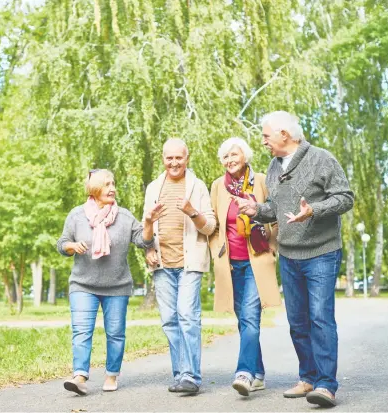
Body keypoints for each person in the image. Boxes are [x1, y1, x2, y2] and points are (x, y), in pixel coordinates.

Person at [236, 111, 354, 407]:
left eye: (266, 136)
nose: (263, 141)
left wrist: (313, 210)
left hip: (321, 253)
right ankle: (309, 377)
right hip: (289, 254)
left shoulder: (322, 159)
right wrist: (256, 210)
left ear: (284, 135)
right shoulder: (274, 166)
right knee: (297, 321)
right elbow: (275, 208)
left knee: (320, 318)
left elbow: (345, 198)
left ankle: (326, 385)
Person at [57, 169, 163, 396]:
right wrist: (73, 246)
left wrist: (148, 223)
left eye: (113, 183)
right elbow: (62, 243)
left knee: (115, 332)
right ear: (94, 190)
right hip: (83, 285)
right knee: (81, 331)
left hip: (117, 286)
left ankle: (111, 374)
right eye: (106, 185)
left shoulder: (124, 217)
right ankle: (80, 376)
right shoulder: (77, 215)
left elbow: (143, 241)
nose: (112, 188)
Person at [209, 137, 281, 397]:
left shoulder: (260, 181)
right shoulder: (218, 186)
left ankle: (245, 373)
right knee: (244, 321)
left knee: (250, 317)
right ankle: (259, 372)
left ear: (245, 156)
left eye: (234, 154)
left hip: (256, 260)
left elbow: (276, 211)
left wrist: (272, 245)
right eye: (225, 156)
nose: (230, 160)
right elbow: (214, 223)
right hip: (230, 264)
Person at [142, 138, 216, 394]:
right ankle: (181, 374)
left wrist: (193, 212)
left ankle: (192, 377)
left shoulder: (197, 187)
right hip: (161, 263)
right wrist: (148, 247)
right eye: (169, 158)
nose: (174, 163)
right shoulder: (153, 188)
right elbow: (145, 231)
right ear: (163, 158)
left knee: (187, 316)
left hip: (189, 262)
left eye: (179, 158)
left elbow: (210, 227)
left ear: (187, 158)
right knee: (169, 321)